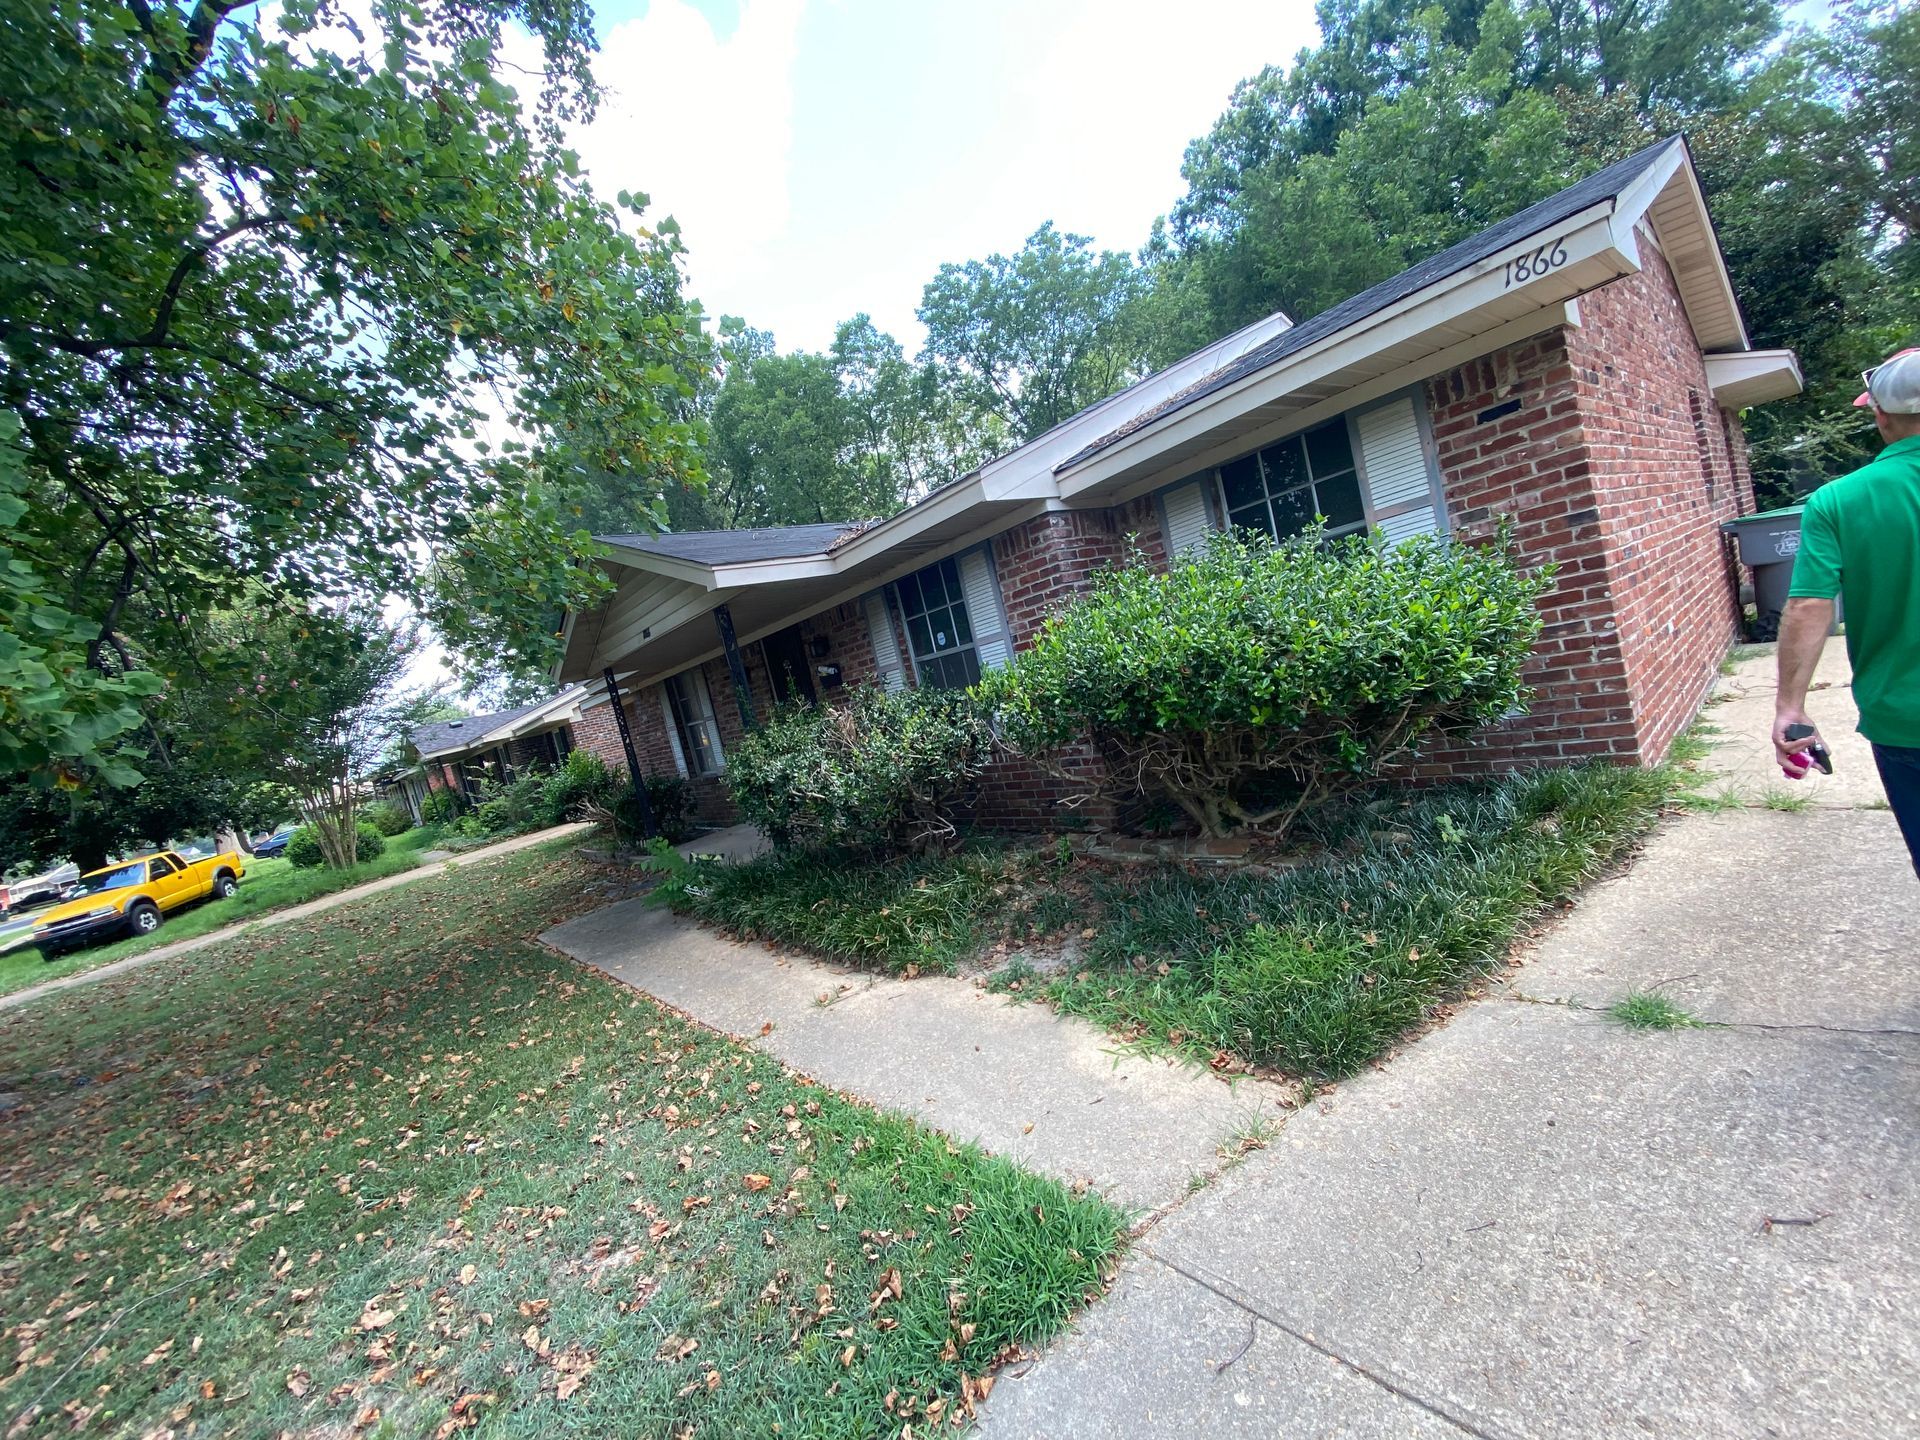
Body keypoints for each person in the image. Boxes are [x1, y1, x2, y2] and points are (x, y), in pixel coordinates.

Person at [1772, 347, 1920, 874]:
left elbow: (1810, 605)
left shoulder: (1840, 501)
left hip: (1907, 719)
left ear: (1879, 413)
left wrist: (1790, 707)